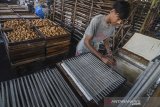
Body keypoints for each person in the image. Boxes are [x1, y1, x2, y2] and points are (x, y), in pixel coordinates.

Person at [76, 1, 130, 65]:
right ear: (112, 11)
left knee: (87, 67)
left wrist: (109, 53)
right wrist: (101, 57)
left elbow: (105, 39)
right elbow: (86, 41)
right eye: (118, 18)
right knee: (79, 65)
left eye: (121, 20)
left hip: (94, 49)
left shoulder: (113, 26)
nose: (119, 22)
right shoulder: (97, 20)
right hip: (84, 48)